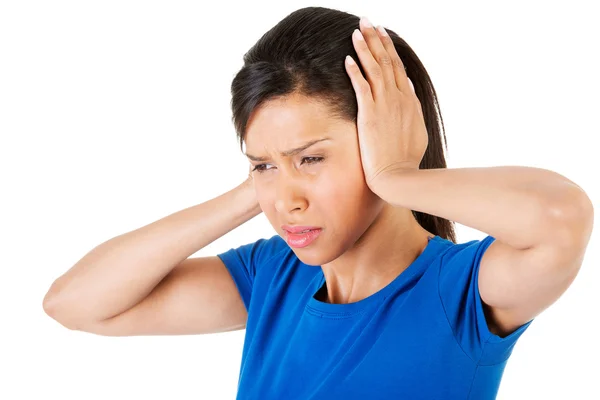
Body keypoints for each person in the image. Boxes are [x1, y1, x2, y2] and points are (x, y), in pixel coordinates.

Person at [42, 6, 594, 400]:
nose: (288, 201)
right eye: (263, 164)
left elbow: (559, 217)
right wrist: (254, 187)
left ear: (387, 136)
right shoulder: (271, 277)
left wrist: (396, 176)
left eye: (311, 159)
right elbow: (75, 303)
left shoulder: (463, 295)